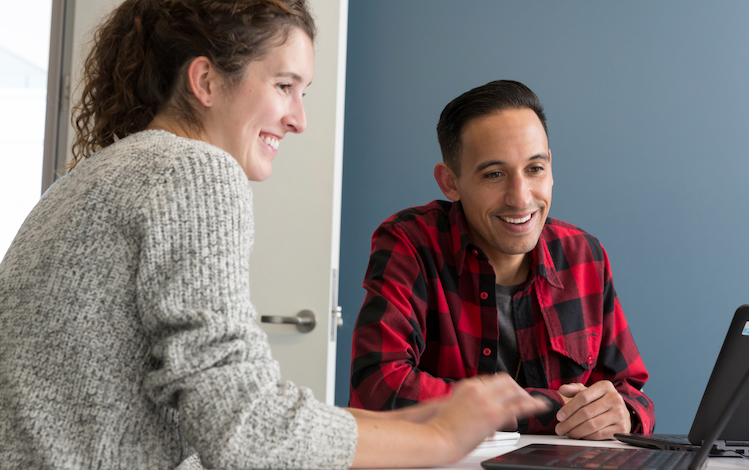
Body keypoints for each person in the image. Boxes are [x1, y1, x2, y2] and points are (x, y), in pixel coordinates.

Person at [0, 2, 550, 469]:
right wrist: (438, 438)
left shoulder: (100, 174)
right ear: (206, 81)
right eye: (285, 86)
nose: (299, 120)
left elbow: (216, 405)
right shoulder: (192, 170)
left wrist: (410, 420)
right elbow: (244, 427)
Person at [349, 80, 655, 441]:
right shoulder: (410, 242)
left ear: (551, 168)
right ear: (450, 183)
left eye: (534, 169)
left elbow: (631, 391)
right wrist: (550, 408)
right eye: (494, 174)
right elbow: (380, 386)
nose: (520, 197)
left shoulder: (584, 255)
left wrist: (624, 413)